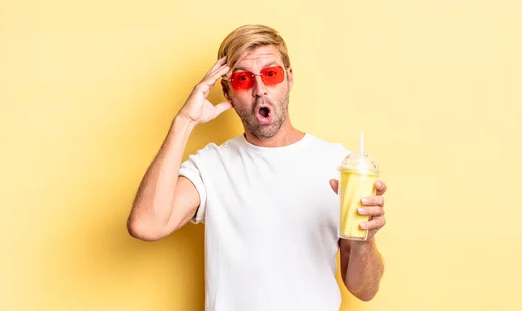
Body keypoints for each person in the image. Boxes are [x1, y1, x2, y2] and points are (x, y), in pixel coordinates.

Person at [127, 24, 387, 311]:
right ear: (227, 91)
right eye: (242, 79)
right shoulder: (212, 166)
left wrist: (365, 239)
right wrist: (184, 121)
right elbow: (146, 225)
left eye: (271, 74)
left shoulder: (339, 166)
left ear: (288, 78)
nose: (260, 89)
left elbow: (364, 290)